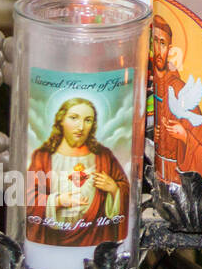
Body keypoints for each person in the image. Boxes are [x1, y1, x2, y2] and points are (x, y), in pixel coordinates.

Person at [26, 97, 130, 246]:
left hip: (95, 239)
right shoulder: (43, 157)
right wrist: (59, 201)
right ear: (61, 120)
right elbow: (30, 199)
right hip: (52, 240)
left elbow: (126, 190)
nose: (81, 127)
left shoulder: (104, 156)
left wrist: (114, 189)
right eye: (74, 118)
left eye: (88, 120)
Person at [150, 15, 202, 184]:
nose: (158, 49)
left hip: (179, 181)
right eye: (154, 42)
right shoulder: (153, 83)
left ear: (170, 49)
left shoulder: (179, 89)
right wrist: (156, 135)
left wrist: (185, 136)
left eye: (162, 43)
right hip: (161, 178)